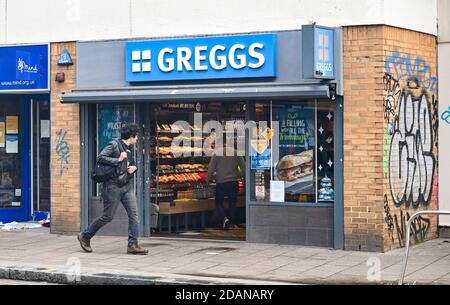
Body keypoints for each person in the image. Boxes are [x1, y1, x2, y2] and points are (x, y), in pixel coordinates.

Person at [77, 123, 148, 255]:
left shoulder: (130, 148)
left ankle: (132, 245)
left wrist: (133, 169)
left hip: (126, 185)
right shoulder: (114, 145)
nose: (137, 139)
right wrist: (118, 159)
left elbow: (127, 165)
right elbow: (100, 158)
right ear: (131, 136)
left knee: (134, 215)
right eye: (136, 136)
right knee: (107, 216)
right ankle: (85, 236)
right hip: (113, 186)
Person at [207, 144, 245, 230]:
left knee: (219, 203)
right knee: (232, 203)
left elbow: (211, 168)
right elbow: (243, 167)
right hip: (233, 182)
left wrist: (208, 180)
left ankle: (225, 218)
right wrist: (246, 180)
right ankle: (232, 223)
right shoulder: (236, 153)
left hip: (221, 183)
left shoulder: (217, 153)